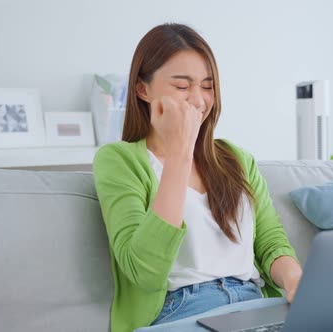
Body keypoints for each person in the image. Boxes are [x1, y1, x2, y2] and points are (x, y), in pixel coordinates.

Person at [93, 23, 302, 332]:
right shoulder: (119, 160)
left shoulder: (237, 159)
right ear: (143, 89)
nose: (198, 99)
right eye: (182, 86)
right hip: (180, 311)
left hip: (255, 305)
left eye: (207, 86)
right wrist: (180, 151)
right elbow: (144, 271)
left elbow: (270, 242)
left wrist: (296, 280)